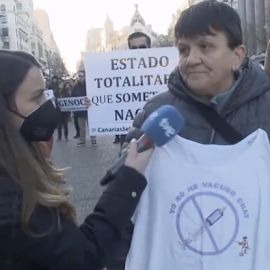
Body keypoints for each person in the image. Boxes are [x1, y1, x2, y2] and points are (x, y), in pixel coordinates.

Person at [109, 1, 270, 269]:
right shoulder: (156, 111)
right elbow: (126, 201)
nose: (191, 59)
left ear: (237, 56)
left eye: (205, 46)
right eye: (184, 49)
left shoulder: (266, 111)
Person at [0, 50, 153, 270]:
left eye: (46, 94)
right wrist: (128, 180)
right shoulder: (8, 196)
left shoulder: (18, 161)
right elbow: (82, 257)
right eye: (37, 96)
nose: (48, 104)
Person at [114, 32, 151, 146]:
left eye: (142, 48)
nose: (138, 51)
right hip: (129, 136)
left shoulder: (164, 72)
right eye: (134, 48)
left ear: (150, 49)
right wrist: (92, 105)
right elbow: (107, 99)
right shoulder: (117, 75)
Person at [72, 71, 97, 146]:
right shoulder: (75, 87)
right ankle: (82, 139)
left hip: (89, 109)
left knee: (91, 125)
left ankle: (93, 139)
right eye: (79, 76)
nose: (81, 77)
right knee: (81, 127)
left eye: (82, 76)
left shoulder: (89, 85)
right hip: (80, 110)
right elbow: (72, 97)